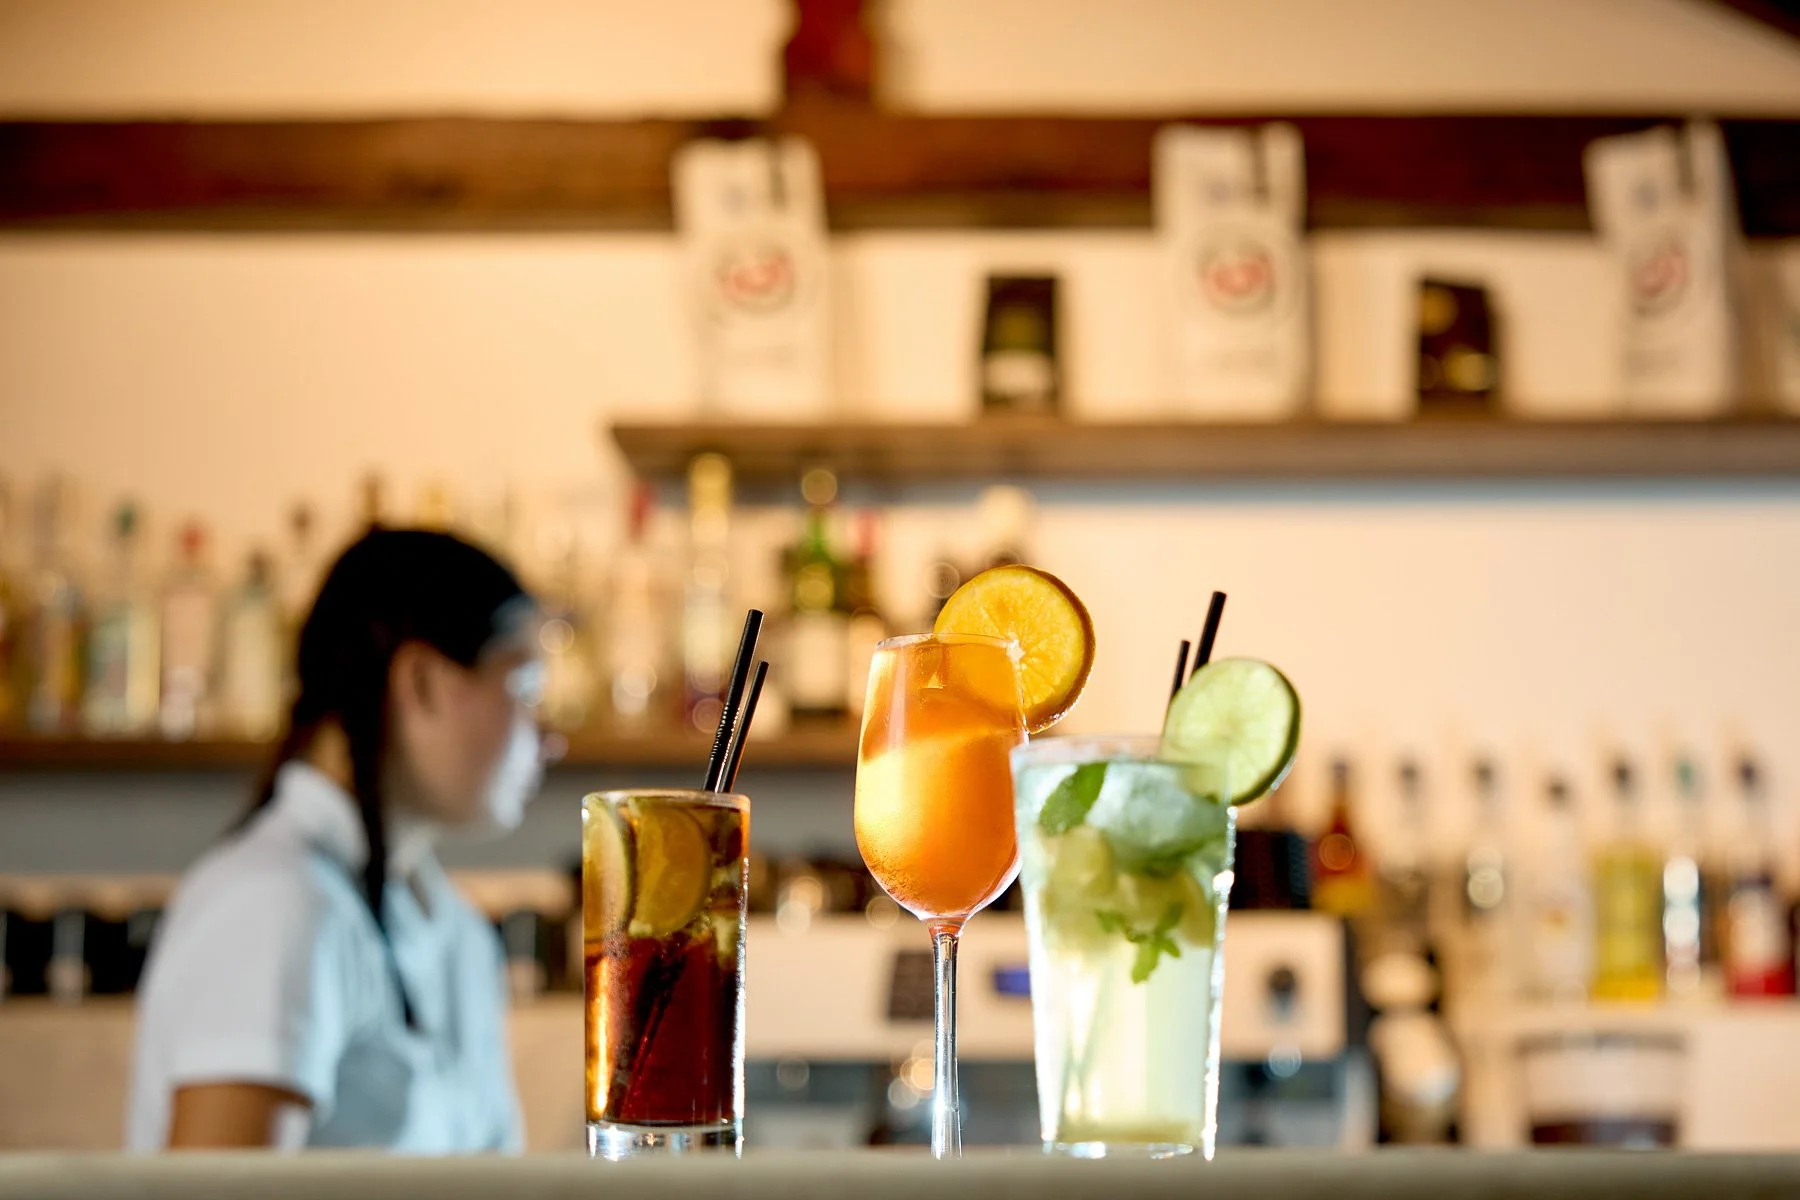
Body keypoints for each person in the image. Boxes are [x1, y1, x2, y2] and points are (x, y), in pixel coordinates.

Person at [127, 529, 547, 1151]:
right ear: (422, 682)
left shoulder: (457, 934)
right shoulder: (276, 905)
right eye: (525, 691)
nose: (547, 735)